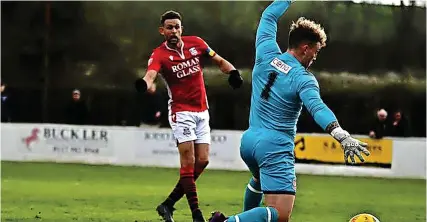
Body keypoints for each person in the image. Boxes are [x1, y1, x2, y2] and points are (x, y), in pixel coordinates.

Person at [208, 1, 370, 222]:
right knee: (280, 215)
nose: (315, 57)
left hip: (249, 142)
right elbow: (317, 107)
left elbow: (268, 17)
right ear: (305, 48)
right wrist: (341, 135)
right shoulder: (303, 78)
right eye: (315, 51)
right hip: (274, 147)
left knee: (258, 181)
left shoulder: (266, 53)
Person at [134, 10, 243, 222]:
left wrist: (233, 73)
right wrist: (143, 84)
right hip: (181, 112)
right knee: (188, 162)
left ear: (181, 28)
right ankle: (196, 216)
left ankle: (167, 204)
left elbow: (219, 60)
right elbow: (150, 75)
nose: (174, 31)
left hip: (202, 111)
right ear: (162, 31)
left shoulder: (197, 44)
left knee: (202, 161)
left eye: (177, 27)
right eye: (169, 28)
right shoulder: (159, 55)